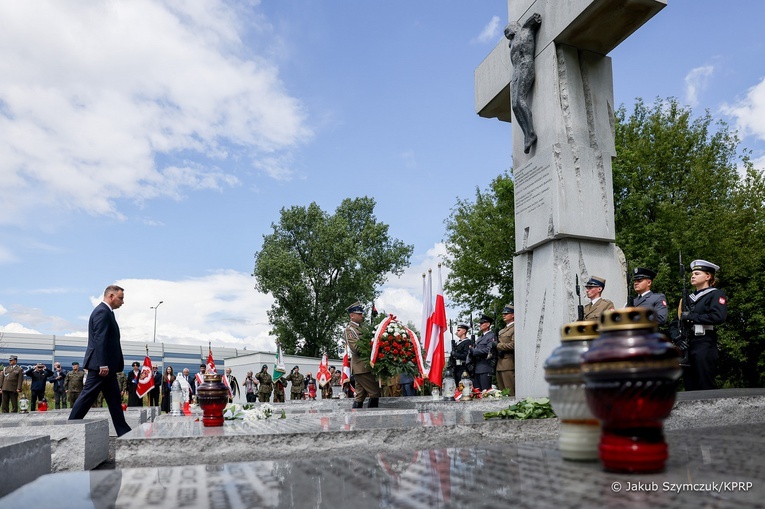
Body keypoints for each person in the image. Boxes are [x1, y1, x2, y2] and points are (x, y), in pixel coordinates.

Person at [68, 285, 132, 437]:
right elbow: (100, 339)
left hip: (106, 367)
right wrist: (103, 363)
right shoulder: (102, 312)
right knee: (87, 397)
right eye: (120, 298)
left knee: (115, 400)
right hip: (101, 367)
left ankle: (124, 431)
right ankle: (70, 426)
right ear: (111, 296)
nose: (122, 302)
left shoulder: (108, 313)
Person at [680, 259, 728, 391]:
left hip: (704, 342)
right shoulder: (688, 298)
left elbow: (718, 317)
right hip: (688, 343)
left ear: (708, 276)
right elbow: (677, 320)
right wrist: (676, 336)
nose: (693, 276)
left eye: (697, 273)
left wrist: (691, 317)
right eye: (692, 274)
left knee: (705, 384)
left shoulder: (715, 294)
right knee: (690, 386)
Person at [505, 12, 542, 154]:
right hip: (517, 72)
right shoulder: (512, 42)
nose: (507, 35)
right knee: (515, 105)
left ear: (514, 27)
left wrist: (533, 19)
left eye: (507, 31)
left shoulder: (525, 30)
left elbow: (535, 18)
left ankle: (531, 133)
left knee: (520, 100)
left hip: (526, 65)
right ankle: (527, 134)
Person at [344, 301, 380, 408]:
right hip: (361, 367)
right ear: (352, 316)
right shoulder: (349, 330)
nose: (362, 316)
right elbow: (355, 348)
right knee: (375, 392)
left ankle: (356, 419)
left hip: (364, 367)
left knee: (360, 395)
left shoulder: (363, 328)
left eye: (362, 313)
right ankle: (373, 420)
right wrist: (371, 347)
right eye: (359, 314)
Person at [469, 315, 497, 391]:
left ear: (488, 324)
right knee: (477, 393)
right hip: (477, 368)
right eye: (480, 323)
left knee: (485, 392)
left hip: (485, 367)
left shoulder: (491, 336)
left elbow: (489, 350)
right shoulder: (479, 338)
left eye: (482, 323)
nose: (480, 325)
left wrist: (475, 351)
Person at [496, 304, 516, 396]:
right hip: (499, 364)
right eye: (503, 313)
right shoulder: (501, 331)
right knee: (502, 394)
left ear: (513, 315)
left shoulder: (515, 328)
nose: (504, 315)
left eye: (506, 313)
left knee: (510, 393)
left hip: (508, 364)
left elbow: (513, 345)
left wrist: (498, 345)